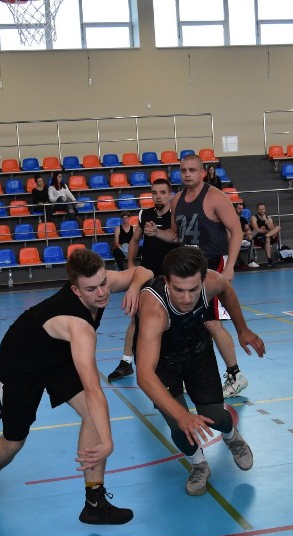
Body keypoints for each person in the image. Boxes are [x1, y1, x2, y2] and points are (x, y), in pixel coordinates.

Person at [0, 249, 153, 525]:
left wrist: (134, 287)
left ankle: (94, 502)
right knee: (14, 440)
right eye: (91, 289)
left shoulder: (102, 284)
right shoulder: (79, 327)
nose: (102, 293)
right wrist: (108, 442)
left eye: (104, 283)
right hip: (21, 360)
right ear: (76, 291)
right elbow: (93, 390)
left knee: (93, 416)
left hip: (58, 354)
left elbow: (144, 271)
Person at [134, 246, 265, 496]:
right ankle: (199, 465)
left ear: (203, 280)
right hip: (163, 363)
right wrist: (180, 415)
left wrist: (242, 328)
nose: (186, 298)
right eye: (179, 290)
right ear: (167, 282)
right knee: (179, 424)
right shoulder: (154, 310)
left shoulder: (212, 282)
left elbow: (227, 291)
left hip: (197, 352)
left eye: (193, 290)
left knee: (215, 415)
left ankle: (231, 436)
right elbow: (144, 375)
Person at [170, 153, 252, 398]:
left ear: (202, 172)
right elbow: (176, 235)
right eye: (183, 170)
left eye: (192, 170)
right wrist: (153, 233)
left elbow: (236, 230)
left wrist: (230, 266)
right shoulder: (176, 200)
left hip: (212, 268)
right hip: (187, 271)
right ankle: (193, 374)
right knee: (189, 323)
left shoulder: (216, 197)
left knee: (212, 322)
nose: (187, 174)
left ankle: (236, 375)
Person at [107, 178, 178, 381]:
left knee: (172, 320)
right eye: (155, 192)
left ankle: (170, 362)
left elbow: (180, 238)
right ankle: (126, 361)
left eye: (163, 192)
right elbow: (135, 240)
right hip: (147, 273)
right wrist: (131, 265)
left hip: (171, 276)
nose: (158, 196)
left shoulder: (176, 216)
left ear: (170, 194)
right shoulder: (144, 214)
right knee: (137, 318)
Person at [250, 202, 281, 267]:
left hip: (266, 236)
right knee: (267, 238)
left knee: (278, 227)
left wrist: (266, 220)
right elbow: (257, 230)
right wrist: (267, 231)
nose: (261, 211)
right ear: (257, 210)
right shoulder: (254, 217)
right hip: (258, 237)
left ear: (265, 210)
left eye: (263, 209)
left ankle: (265, 236)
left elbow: (272, 228)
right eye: (260, 209)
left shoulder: (268, 218)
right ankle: (270, 260)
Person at [234, 202, 254, 269]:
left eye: (242, 209)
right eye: (239, 208)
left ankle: (250, 261)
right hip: (233, 238)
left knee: (251, 240)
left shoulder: (243, 219)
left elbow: (247, 228)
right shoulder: (231, 219)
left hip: (242, 237)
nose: (241, 210)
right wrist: (244, 233)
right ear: (235, 209)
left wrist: (248, 232)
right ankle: (241, 262)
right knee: (234, 242)